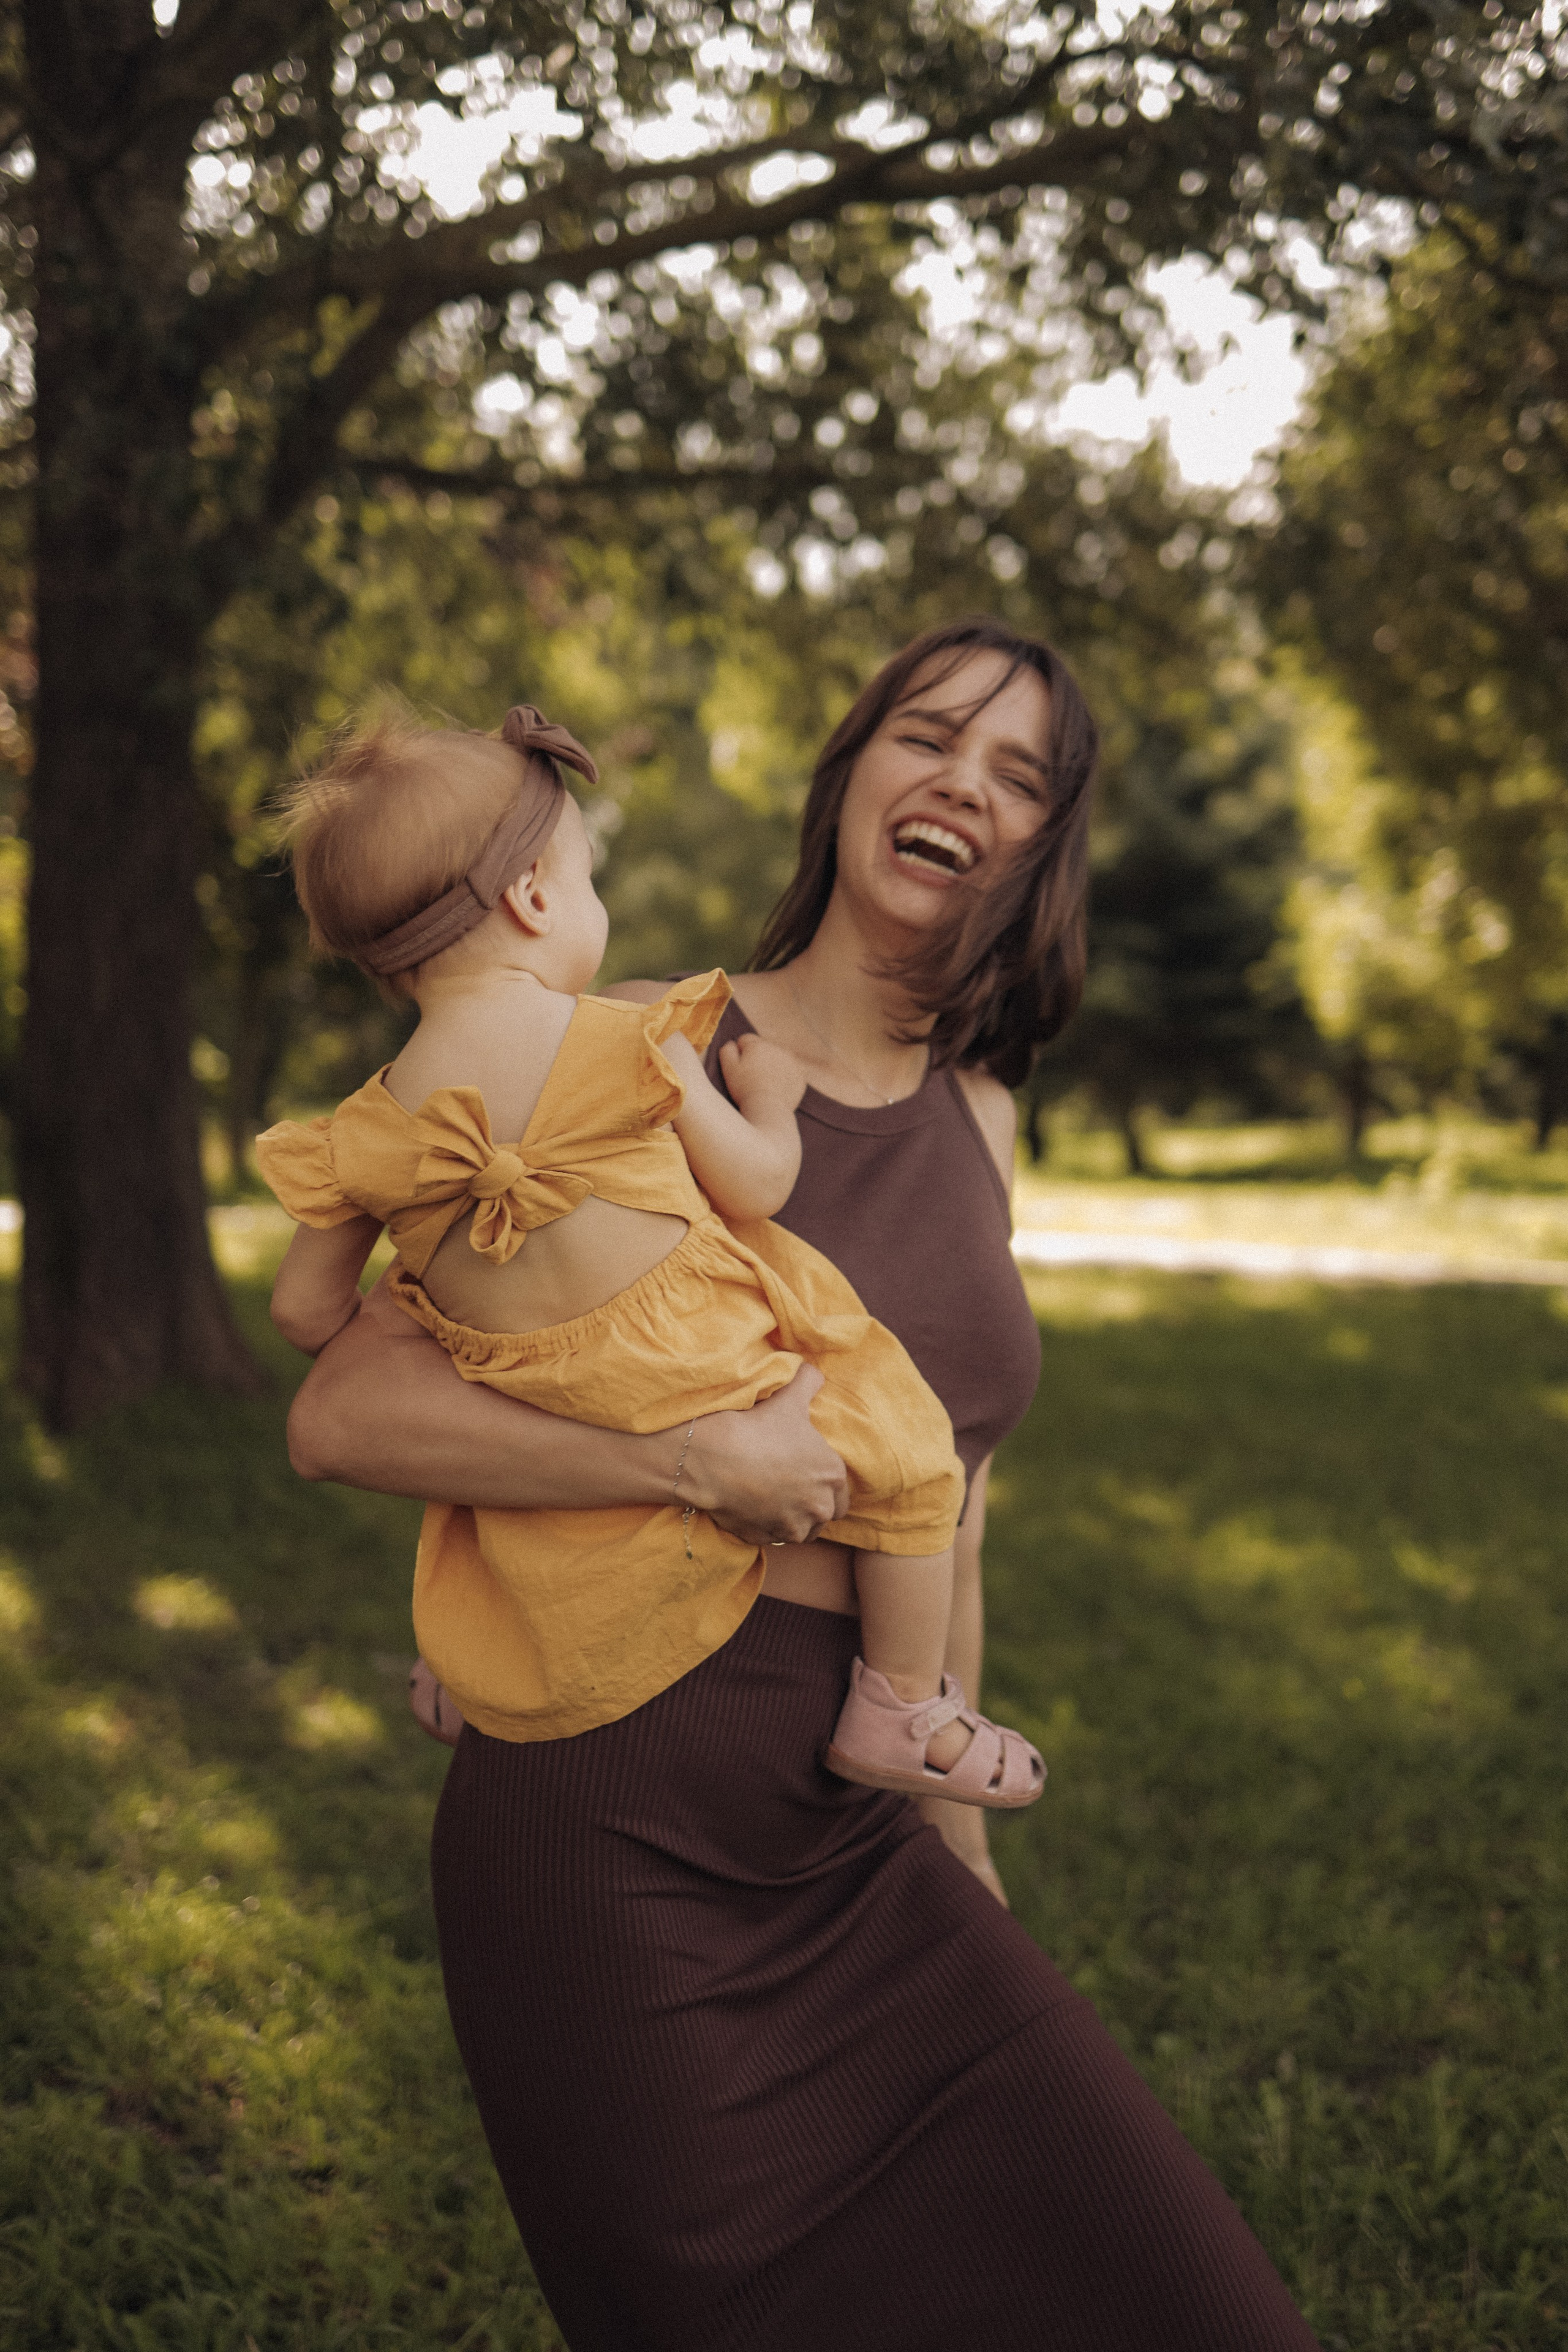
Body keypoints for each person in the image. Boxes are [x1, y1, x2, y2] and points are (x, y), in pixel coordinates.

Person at [287, 618, 1322, 2350]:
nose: (961, 788)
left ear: (1041, 847)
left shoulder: (982, 1115)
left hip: (864, 1819)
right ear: (851, 772)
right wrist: (684, 1456)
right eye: (930, 737)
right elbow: (348, 1409)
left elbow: (955, 1491)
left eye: (1017, 777)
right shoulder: (622, 1043)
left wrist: (956, 1841)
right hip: (626, 1809)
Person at [256, 699, 1039, 1803]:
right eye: (587, 879)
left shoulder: (361, 1134)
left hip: (547, 1390)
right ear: (532, 896)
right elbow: (761, 1184)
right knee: (912, 1458)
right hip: (700, 1365)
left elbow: (302, 1315)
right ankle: (904, 1705)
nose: (593, 905)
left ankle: (467, 1661)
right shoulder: (628, 1042)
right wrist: (766, 1094)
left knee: (502, 1473)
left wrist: (456, 1291)